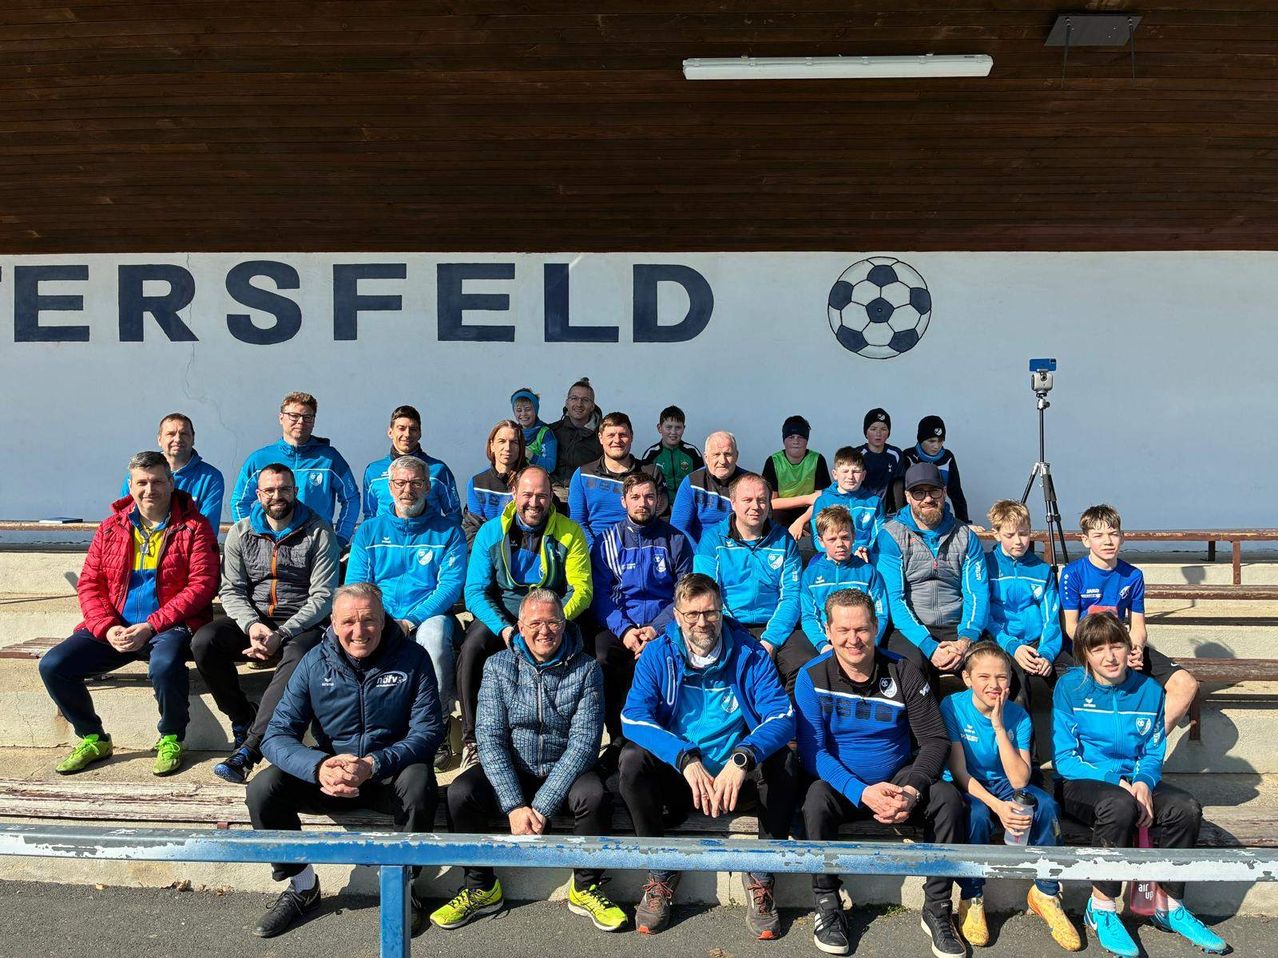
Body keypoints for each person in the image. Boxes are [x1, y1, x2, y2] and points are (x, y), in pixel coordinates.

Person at [246, 583, 444, 939]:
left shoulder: (413, 659)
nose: (359, 631)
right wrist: (319, 767)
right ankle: (303, 887)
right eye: (349, 622)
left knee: (419, 781)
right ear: (333, 624)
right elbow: (275, 736)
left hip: (388, 777)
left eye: (369, 620)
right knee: (263, 788)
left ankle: (404, 888)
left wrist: (374, 763)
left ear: (383, 621)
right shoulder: (312, 662)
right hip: (331, 779)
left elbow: (428, 733)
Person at [432, 591, 625, 933]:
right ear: (520, 627)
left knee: (595, 795)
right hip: (514, 770)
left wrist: (542, 804)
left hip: (563, 768)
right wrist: (515, 804)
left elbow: (584, 744)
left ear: (564, 625)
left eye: (552, 622)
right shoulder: (497, 666)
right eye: (535, 623)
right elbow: (489, 737)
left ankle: (586, 887)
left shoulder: (586, 669)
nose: (544, 630)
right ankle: (481, 887)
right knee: (460, 792)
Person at [619, 573, 798, 941]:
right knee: (632, 760)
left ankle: (762, 875)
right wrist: (683, 758)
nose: (702, 622)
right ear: (677, 614)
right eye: (692, 614)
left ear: (722, 609)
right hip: (683, 782)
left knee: (783, 761)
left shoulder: (748, 653)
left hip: (737, 782)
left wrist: (743, 757)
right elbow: (632, 717)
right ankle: (660, 871)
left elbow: (782, 716)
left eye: (711, 612)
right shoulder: (658, 653)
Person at [794, 589, 965, 958]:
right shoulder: (811, 677)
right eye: (843, 630)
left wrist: (914, 790)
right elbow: (814, 753)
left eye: (861, 629)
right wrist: (861, 791)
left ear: (875, 627)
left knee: (948, 799)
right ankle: (827, 903)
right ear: (828, 630)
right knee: (815, 799)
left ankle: (937, 907)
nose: (853, 639)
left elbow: (935, 740)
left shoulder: (903, 670)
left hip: (899, 784)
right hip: (845, 787)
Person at [1054, 613, 1226, 957]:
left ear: (1128, 646)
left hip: (1134, 783)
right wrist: (1115, 780)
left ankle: (1169, 904)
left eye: (1116, 645)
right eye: (1098, 649)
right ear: (1085, 655)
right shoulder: (1070, 687)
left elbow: (1152, 750)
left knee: (1184, 809)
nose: (1110, 656)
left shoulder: (1148, 689)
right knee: (1118, 803)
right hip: (1082, 781)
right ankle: (1101, 906)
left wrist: (1145, 782)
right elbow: (1064, 758)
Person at [39, 451, 219, 776]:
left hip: (168, 626)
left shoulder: (194, 527)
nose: (150, 489)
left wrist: (151, 626)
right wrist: (106, 628)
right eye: (142, 482)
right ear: (130, 485)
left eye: (157, 481)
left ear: (171, 482)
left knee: (164, 666)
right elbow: (90, 584)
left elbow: (203, 586)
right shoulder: (110, 528)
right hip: (116, 627)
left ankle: (171, 738)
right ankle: (93, 738)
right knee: (54, 665)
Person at [193, 463, 339, 785]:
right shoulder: (241, 532)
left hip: (302, 625)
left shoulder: (318, 531)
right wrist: (251, 626)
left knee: (300, 657)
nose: (277, 496)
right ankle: (242, 716)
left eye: (284, 489)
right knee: (205, 642)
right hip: (255, 620)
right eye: (270, 490)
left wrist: (282, 633)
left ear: (295, 491)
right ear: (258, 494)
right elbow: (230, 589)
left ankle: (249, 751)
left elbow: (323, 597)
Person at [942, 641, 1080, 952]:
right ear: (967, 678)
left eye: (1002, 677)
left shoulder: (1018, 715)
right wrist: (997, 808)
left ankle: (1046, 893)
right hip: (972, 785)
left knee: (1046, 805)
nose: (994, 685)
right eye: (984, 677)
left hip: (1007, 783)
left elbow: (1019, 778)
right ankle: (971, 896)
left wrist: (998, 725)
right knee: (975, 815)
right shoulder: (952, 706)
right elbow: (961, 772)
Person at [459, 466, 592, 769]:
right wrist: (505, 629)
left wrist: (552, 623)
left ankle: (577, 739)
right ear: (515, 495)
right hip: (504, 610)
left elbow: (581, 590)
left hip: (552, 609)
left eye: (542, 496)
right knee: (471, 649)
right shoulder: (491, 532)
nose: (534, 502)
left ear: (551, 499)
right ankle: (472, 739)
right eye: (528, 495)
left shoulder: (570, 532)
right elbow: (475, 591)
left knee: (589, 652)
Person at [347, 455, 467, 769]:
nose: (408, 490)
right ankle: (371, 728)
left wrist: (410, 620)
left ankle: (437, 725)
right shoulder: (369, 531)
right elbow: (358, 584)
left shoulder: (448, 533)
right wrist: (385, 621)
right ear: (389, 487)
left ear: (428, 486)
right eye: (400, 483)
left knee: (435, 635)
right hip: (380, 615)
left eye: (415, 483)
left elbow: (450, 588)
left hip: (428, 615)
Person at [1059, 504, 1198, 734]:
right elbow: (1071, 627)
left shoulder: (1133, 575)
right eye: (1098, 535)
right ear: (1085, 540)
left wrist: (1136, 648)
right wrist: (1102, 651)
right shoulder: (1073, 573)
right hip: (1086, 647)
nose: (1107, 541)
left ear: (1122, 537)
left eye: (1113, 534)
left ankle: (1147, 749)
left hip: (1119, 643)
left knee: (1185, 684)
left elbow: (1138, 626)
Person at [589, 473, 693, 764]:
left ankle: (665, 739)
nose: (643, 503)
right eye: (635, 497)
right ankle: (618, 740)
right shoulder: (607, 541)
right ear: (623, 501)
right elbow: (601, 595)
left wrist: (657, 630)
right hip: (620, 626)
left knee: (673, 657)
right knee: (603, 657)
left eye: (649, 497)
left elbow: (683, 594)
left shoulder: (675, 539)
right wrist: (625, 632)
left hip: (665, 625)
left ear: (659, 501)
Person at [693, 473, 807, 693]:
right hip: (727, 626)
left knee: (804, 667)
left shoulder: (784, 541)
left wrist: (771, 640)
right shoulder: (712, 540)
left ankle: (789, 725)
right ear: (733, 503)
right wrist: (735, 633)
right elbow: (707, 596)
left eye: (762, 500)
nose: (756, 506)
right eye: (748, 500)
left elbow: (792, 597)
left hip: (775, 626)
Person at [875, 462, 988, 683]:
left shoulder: (965, 535)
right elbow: (895, 599)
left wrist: (965, 640)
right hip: (913, 629)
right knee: (909, 671)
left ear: (944, 492)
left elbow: (977, 594)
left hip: (958, 627)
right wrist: (928, 645)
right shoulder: (891, 535)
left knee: (995, 672)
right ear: (907, 496)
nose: (927, 498)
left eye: (934, 491)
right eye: (918, 492)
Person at [231, 391, 360, 546]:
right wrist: (252, 537)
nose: (300, 422)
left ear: (314, 421)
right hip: (272, 545)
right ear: (281, 418)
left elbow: (351, 498)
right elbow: (239, 501)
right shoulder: (259, 459)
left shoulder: (329, 458)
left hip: (317, 544)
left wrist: (340, 538)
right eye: (294, 416)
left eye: (307, 417)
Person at [985, 499, 1063, 710]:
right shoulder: (986, 566)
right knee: (1016, 690)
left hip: (1038, 643)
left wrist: (1047, 653)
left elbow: (1051, 618)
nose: (1018, 541)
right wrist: (1012, 646)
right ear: (996, 534)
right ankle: (1021, 743)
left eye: (1024, 533)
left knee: (1073, 680)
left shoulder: (1042, 570)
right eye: (1010, 535)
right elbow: (986, 617)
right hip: (1002, 643)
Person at [567, 411, 667, 549]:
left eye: (623, 435)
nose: (617, 440)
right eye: (611, 435)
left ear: (631, 437)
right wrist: (595, 550)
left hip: (639, 550)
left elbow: (661, 518)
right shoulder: (582, 474)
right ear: (601, 438)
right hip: (595, 551)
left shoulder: (650, 473)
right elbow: (577, 521)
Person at [800, 506, 888, 654]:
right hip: (827, 643)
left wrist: (871, 642)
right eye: (832, 539)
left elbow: (880, 613)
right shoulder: (810, 575)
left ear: (853, 536)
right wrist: (822, 645)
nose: (840, 544)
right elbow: (809, 616)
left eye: (845, 537)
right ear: (821, 541)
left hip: (862, 642)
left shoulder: (868, 572)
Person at [118, 412, 224, 533]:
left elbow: (207, 528)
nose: (178, 439)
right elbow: (125, 520)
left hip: (190, 549)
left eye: (184, 433)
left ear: (193, 439)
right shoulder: (139, 474)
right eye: (170, 434)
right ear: (159, 439)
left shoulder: (211, 477)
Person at [360, 404, 462, 525]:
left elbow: (454, 514)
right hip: (387, 541)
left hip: (427, 540)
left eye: (413, 429)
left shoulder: (438, 469)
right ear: (390, 432)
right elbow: (370, 515)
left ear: (420, 433)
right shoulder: (373, 471)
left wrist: (442, 539)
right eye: (401, 428)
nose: (407, 434)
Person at [669, 430, 747, 547]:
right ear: (706, 457)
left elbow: (760, 526)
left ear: (736, 456)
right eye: (716, 454)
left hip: (739, 554)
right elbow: (678, 527)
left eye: (728, 454)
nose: (722, 461)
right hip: (700, 553)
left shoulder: (749, 484)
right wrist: (698, 555)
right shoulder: (691, 483)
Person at [806, 446, 884, 557]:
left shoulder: (874, 502)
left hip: (864, 555)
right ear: (835, 474)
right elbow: (816, 537)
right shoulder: (823, 501)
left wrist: (865, 550)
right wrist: (838, 554)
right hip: (831, 555)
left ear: (863, 475)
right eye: (845, 471)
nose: (850, 476)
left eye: (855, 471)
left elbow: (879, 534)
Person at [760, 414, 829, 538]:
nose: (796, 441)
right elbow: (771, 504)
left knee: (821, 521)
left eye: (800, 437)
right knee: (772, 520)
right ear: (784, 440)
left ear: (807, 440)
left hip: (808, 510)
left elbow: (820, 499)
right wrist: (807, 498)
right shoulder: (773, 461)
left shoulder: (817, 459)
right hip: (782, 511)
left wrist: (801, 521)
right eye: (791, 437)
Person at [462, 419, 527, 545]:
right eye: (502, 441)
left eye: (514, 442)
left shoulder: (530, 481)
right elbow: (473, 529)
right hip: (488, 550)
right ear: (492, 445)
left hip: (522, 551)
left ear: (521, 447)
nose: (507, 448)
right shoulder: (477, 483)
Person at [901, 416, 972, 525]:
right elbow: (900, 492)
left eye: (940, 441)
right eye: (931, 441)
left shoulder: (947, 457)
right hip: (912, 515)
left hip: (938, 513)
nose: (936, 446)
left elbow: (956, 492)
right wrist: (901, 520)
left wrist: (964, 523)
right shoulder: (908, 456)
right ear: (920, 440)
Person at [549, 377, 603, 498]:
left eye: (585, 400)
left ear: (592, 406)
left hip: (586, 498)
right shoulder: (551, 431)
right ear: (567, 403)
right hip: (552, 497)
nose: (579, 404)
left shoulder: (602, 436)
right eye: (574, 398)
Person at [641, 404, 703, 496]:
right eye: (668, 427)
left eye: (678, 427)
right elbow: (644, 486)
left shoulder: (692, 452)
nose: (673, 432)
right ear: (659, 428)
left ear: (683, 429)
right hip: (660, 507)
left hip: (687, 505)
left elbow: (701, 484)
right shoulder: (651, 454)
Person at [857, 407, 905, 510]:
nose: (878, 434)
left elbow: (898, 485)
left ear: (888, 433)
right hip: (862, 509)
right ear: (866, 432)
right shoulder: (858, 454)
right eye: (873, 429)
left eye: (883, 429)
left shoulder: (895, 454)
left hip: (888, 513)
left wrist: (900, 512)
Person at [511, 387, 557, 473]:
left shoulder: (545, 433)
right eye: (519, 410)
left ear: (535, 410)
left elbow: (550, 466)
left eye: (528, 409)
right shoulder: (512, 432)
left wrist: (529, 454)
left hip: (537, 481)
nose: (523, 414)